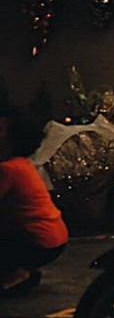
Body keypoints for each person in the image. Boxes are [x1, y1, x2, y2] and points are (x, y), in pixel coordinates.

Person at [0, 112, 67, 296]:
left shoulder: (9, 169)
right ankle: (21, 273)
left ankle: (15, 275)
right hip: (53, 238)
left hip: (37, 241)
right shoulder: (22, 164)